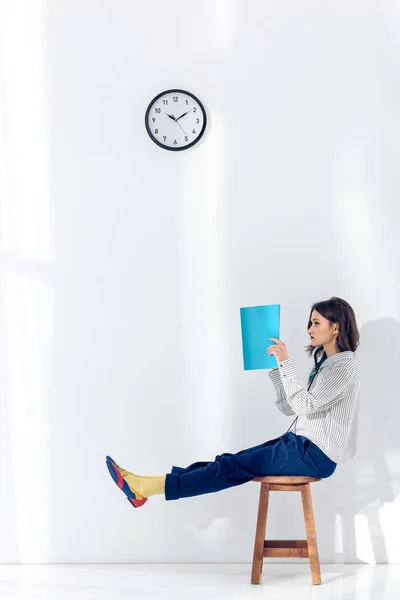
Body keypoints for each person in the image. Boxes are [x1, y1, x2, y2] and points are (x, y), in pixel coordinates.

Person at [106, 296, 360, 508]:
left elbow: (305, 406)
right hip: (298, 445)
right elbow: (289, 408)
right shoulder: (326, 367)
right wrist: (276, 370)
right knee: (226, 461)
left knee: (231, 466)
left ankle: (146, 487)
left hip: (314, 455)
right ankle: (147, 485)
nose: (309, 329)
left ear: (335, 327)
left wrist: (285, 363)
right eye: (310, 323)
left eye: (316, 323)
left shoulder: (343, 368)